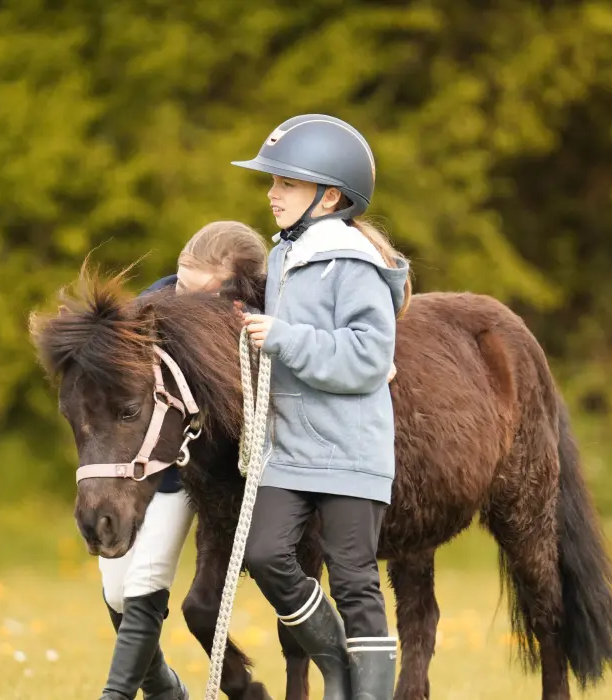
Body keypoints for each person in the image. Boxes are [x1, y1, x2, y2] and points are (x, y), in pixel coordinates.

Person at [232, 115, 411, 700]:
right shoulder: (289, 254)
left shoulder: (351, 261)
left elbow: (365, 358)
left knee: (356, 581)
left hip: (350, 449)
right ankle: (335, 663)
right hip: (291, 448)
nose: (272, 193)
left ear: (329, 196)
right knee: (264, 553)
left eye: (286, 183)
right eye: (273, 182)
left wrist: (282, 337)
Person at [96, 220, 268, 700]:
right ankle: (168, 690)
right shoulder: (149, 310)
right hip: (144, 466)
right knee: (115, 592)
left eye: (201, 292)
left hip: (200, 469)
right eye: (181, 281)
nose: (180, 299)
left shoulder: (260, 316)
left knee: (147, 580)